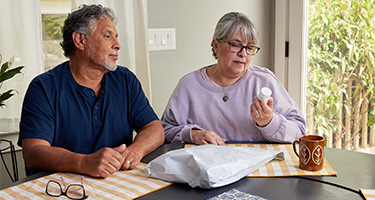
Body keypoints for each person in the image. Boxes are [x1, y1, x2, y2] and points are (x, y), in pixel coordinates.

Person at [18, 4, 164, 178]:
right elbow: (34, 153)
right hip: (60, 188)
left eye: (116, 37)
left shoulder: (125, 80)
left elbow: (154, 128)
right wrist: (83, 162)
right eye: (108, 36)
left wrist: (135, 151)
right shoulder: (43, 88)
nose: (117, 45)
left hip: (117, 182)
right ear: (80, 40)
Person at [161, 12, 305, 145]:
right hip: (207, 168)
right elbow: (164, 131)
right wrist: (192, 134)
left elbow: (300, 132)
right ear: (216, 45)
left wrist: (269, 122)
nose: (243, 54)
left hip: (256, 167)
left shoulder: (264, 81)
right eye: (235, 45)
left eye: (250, 48)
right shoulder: (189, 85)